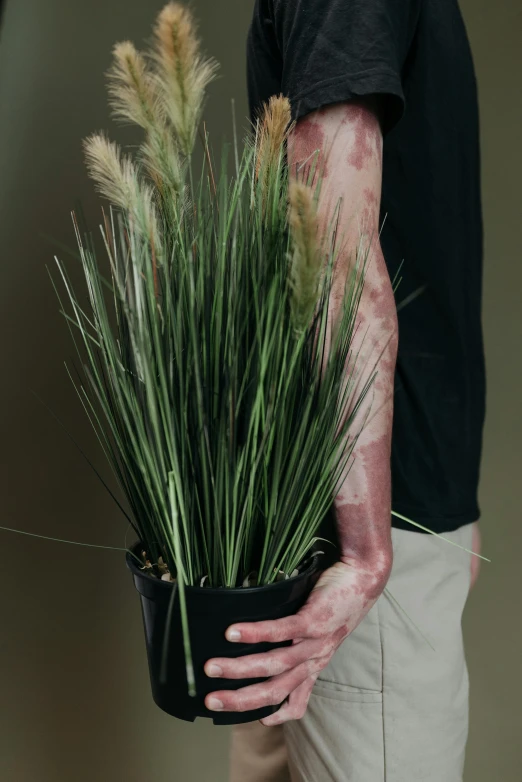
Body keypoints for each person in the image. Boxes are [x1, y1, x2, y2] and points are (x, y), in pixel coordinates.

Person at [204, 1, 485, 779]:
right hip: (355, 553)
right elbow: (331, 256)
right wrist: (367, 555)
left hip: (329, 522)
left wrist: (453, 504)